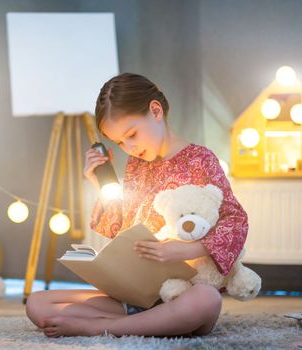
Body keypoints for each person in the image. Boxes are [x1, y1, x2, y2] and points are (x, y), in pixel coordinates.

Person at [25, 73, 248, 338]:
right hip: (137, 296)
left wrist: (183, 250)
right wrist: (98, 184)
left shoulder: (201, 160)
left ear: (155, 111)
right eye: (119, 142)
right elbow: (120, 227)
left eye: (131, 134)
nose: (129, 147)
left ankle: (100, 327)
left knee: (206, 300)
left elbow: (235, 221)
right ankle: (143, 323)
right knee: (38, 304)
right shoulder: (136, 166)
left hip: (182, 294)